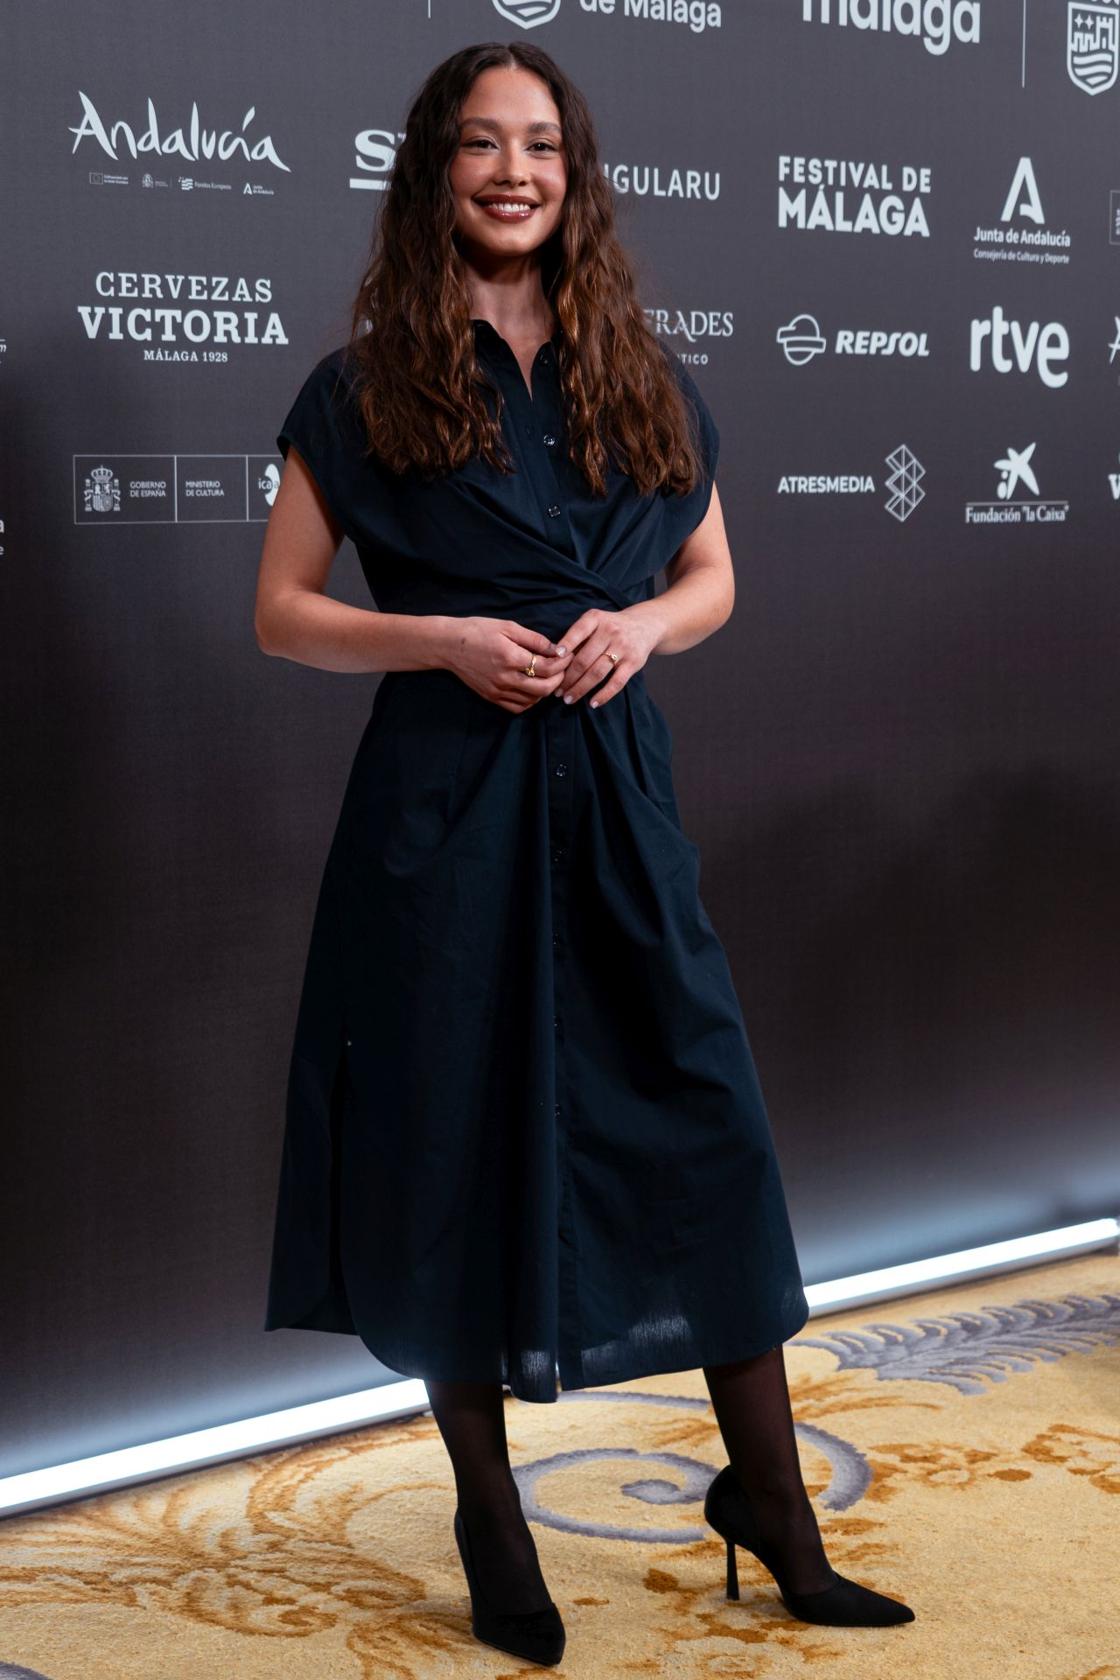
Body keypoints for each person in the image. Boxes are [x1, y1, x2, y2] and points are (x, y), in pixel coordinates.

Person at [254, 39, 914, 1668]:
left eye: (539, 144)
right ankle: (491, 1509)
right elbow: (281, 616)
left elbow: (712, 577)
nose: (511, 170)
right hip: (444, 820)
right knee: (448, 1144)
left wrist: (643, 629)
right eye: (480, 145)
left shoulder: (641, 366)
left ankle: (770, 1500)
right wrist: (443, 641)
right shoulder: (362, 386)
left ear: (574, 171)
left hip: (615, 806)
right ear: (435, 170)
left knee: (704, 1124)